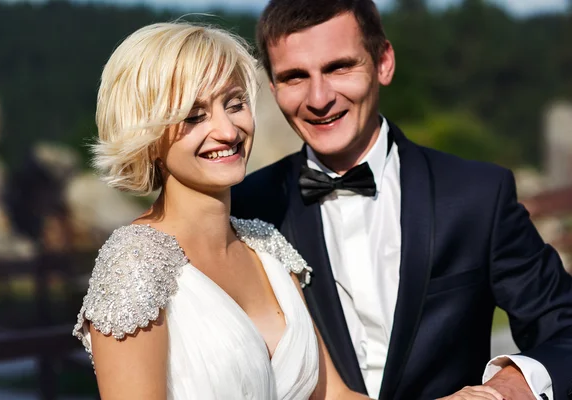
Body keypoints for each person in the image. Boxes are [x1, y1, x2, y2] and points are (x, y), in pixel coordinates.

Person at [231, 1, 572, 399]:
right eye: (294, 77)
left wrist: (507, 388)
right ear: (273, 87)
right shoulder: (245, 207)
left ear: (384, 63)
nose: (319, 98)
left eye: (339, 67)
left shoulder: (478, 195)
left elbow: (564, 327)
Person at [72, 21, 374, 400]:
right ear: (145, 134)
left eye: (235, 105)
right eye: (194, 116)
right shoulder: (133, 266)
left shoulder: (267, 246)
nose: (228, 131)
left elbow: (334, 397)